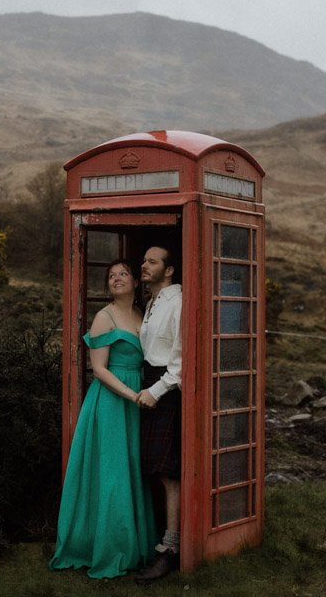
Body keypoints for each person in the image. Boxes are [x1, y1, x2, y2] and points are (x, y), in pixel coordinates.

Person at [50, 259, 158, 579]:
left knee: (132, 472)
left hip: (140, 399)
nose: (117, 279)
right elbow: (99, 370)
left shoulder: (143, 314)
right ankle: (109, 548)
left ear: (136, 281)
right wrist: (131, 394)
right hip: (113, 402)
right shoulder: (104, 317)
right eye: (111, 276)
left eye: (123, 273)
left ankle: (137, 545)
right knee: (112, 476)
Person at [133, 245, 184, 584]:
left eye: (152, 261)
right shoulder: (151, 301)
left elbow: (182, 357)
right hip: (148, 384)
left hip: (165, 389)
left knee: (168, 473)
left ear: (169, 270)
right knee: (153, 468)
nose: (144, 265)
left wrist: (157, 390)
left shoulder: (177, 302)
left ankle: (171, 549)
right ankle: (157, 541)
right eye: (144, 260)